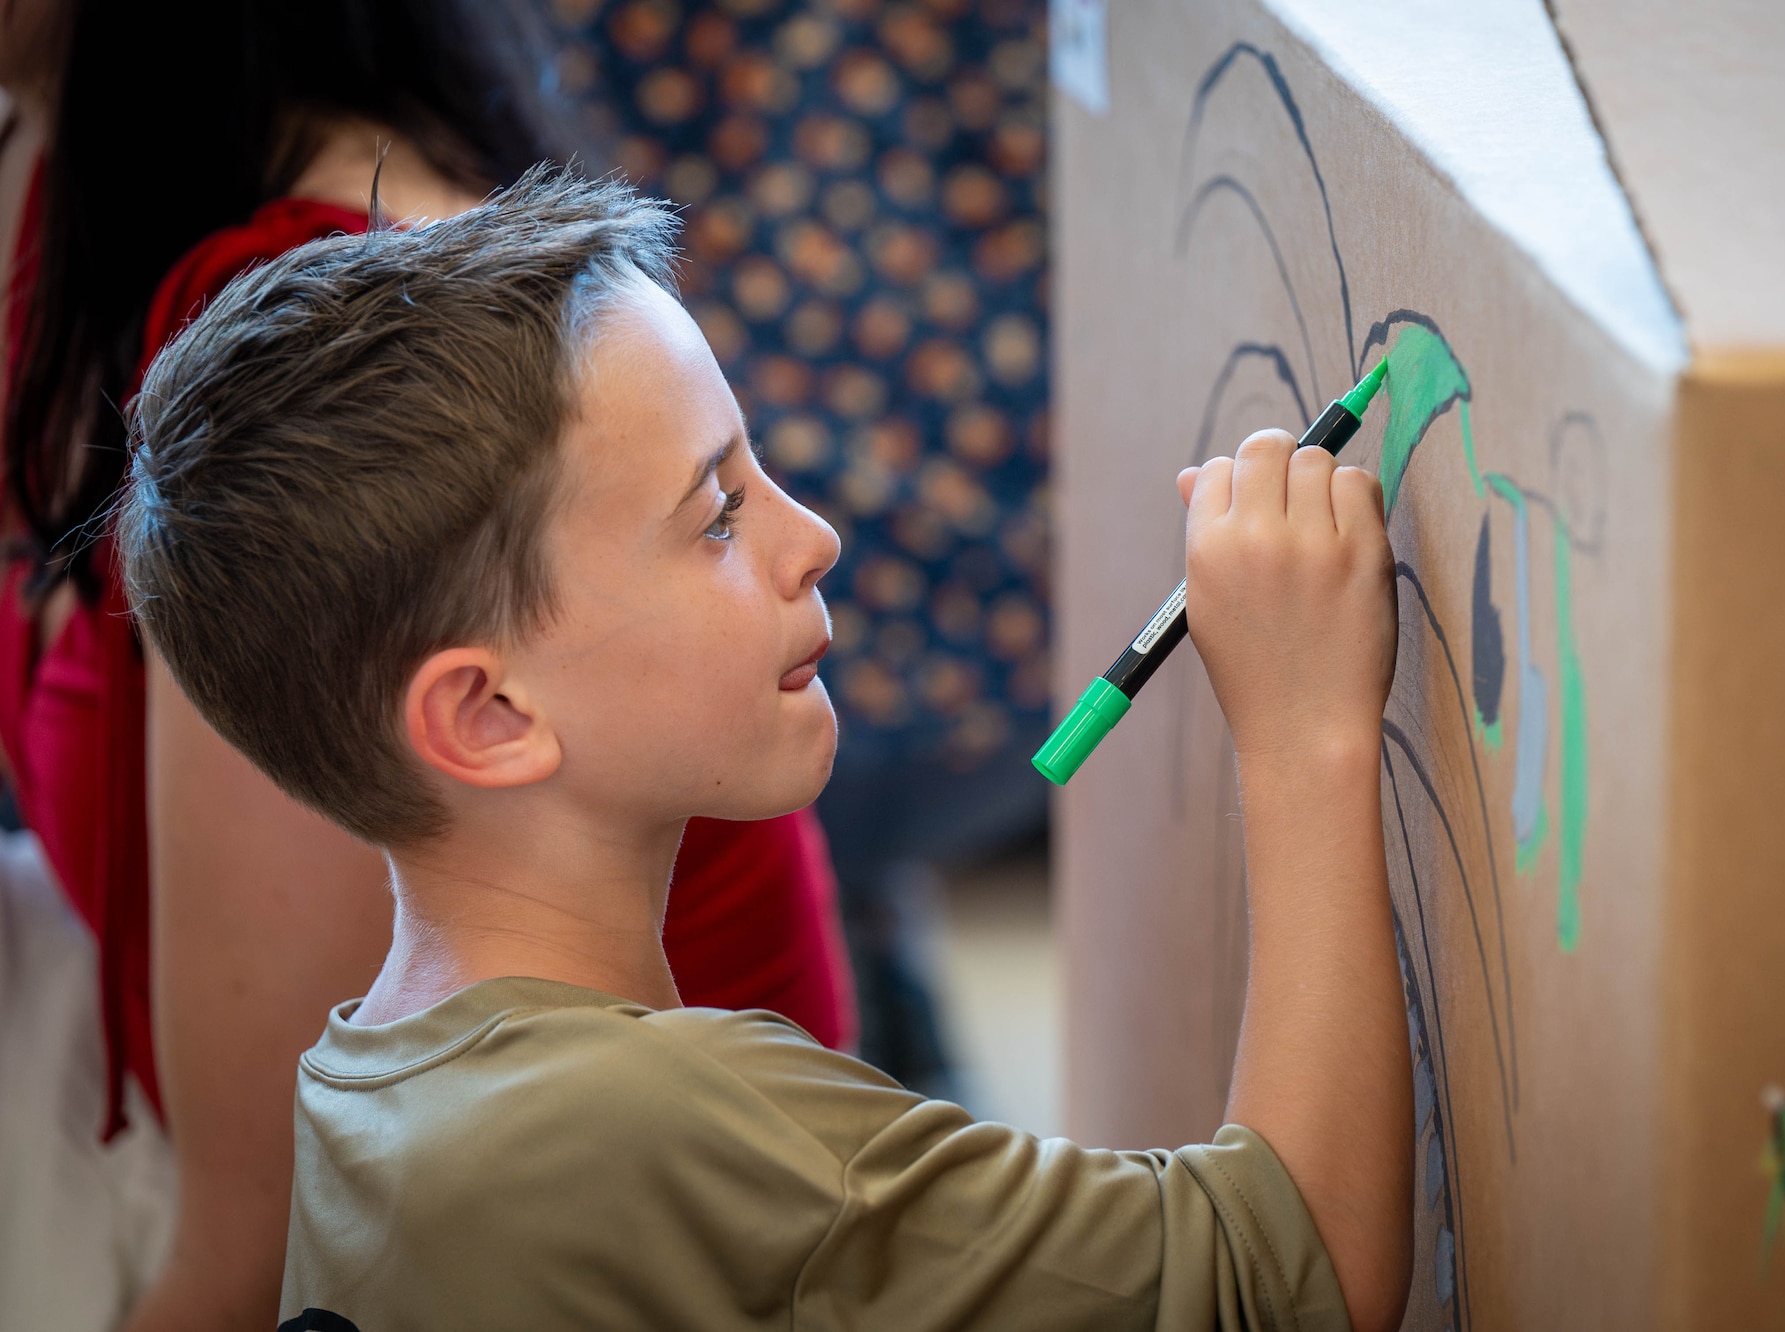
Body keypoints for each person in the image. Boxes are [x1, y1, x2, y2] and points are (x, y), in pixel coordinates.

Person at [120, 168, 1414, 1331]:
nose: (814, 540)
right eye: (719, 516)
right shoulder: (653, 1129)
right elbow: (1288, 1276)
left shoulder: (365, 1074)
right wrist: (1305, 728)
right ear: (490, 716)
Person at [0, 5, 852, 1327]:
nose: (824, 540)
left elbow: (1244, 1249)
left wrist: (1297, 744)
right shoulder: (86, 195)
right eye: (723, 507)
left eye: (726, 506)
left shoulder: (302, 340)